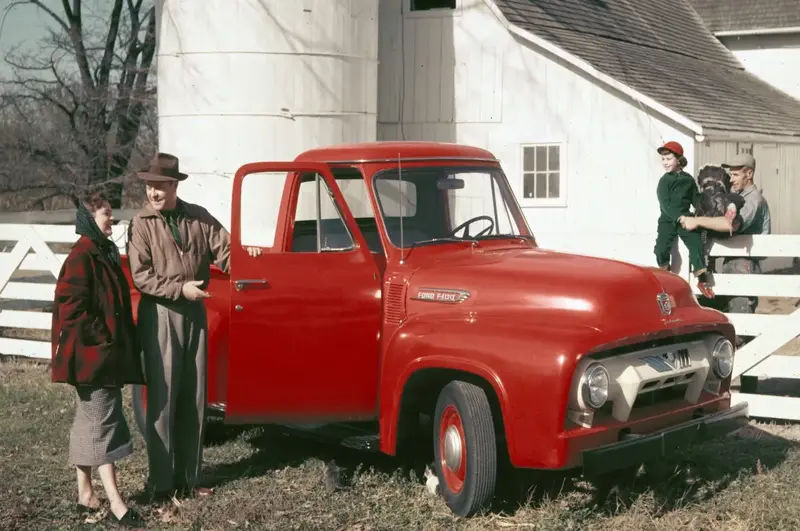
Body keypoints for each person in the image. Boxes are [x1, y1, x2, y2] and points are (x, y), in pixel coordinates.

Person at [126, 152, 261, 502]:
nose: (154, 193)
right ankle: (160, 484)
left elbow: (228, 253)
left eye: (160, 186)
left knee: (194, 396)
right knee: (163, 399)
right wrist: (177, 289)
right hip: (160, 316)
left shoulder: (198, 218)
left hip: (195, 316)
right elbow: (141, 276)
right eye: (150, 187)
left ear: (174, 186)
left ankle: (189, 479)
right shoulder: (141, 224)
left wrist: (254, 260)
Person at [51, 191, 146, 527]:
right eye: (107, 213)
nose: (113, 218)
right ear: (90, 217)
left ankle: (85, 494)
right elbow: (71, 310)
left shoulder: (101, 252)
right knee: (105, 424)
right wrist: (103, 341)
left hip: (99, 357)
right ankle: (117, 504)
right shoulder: (81, 257)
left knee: (88, 424)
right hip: (92, 360)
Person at [680, 152, 771, 392]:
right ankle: (724, 386)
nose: (731, 178)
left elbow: (729, 224)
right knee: (722, 324)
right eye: (729, 173)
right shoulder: (734, 196)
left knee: (742, 328)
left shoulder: (753, 200)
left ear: (749, 174)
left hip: (743, 267)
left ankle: (750, 391)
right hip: (725, 266)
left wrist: (697, 221)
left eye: (736, 173)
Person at [652, 141, 715, 298]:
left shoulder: (688, 179)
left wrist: (705, 205)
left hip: (686, 218)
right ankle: (665, 274)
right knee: (661, 247)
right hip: (668, 219)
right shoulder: (664, 181)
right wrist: (678, 217)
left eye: (669, 159)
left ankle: (702, 279)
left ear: (679, 160)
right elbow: (665, 204)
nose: (665, 163)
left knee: (696, 243)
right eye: (663, 160)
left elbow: (695, 199)